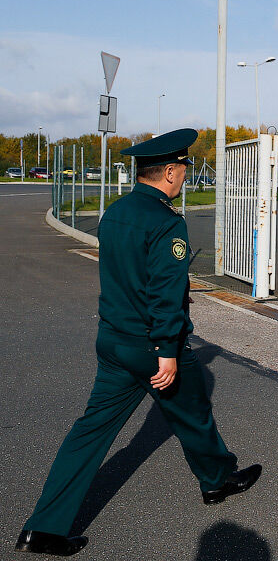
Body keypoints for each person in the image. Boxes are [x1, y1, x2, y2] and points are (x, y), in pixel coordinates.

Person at [16, 128, 261, 557]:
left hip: (113, 340)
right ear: (169, 172)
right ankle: (218, 481)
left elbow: (122, 275)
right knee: (194, 411)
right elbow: (164, 292)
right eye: (183, 168)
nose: (184, 175)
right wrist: (167, 351)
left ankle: (43, 528)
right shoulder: (167, 222)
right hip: (151, 345)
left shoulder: (115, 211)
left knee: (90, 432)